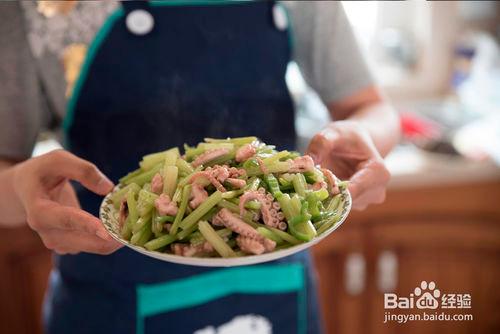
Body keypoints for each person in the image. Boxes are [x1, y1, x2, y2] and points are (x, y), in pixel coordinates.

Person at [0, 1, 399, 333]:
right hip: (108, 297)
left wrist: (360, 134)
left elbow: (370, 107)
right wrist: (19, 188)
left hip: (277, 284)